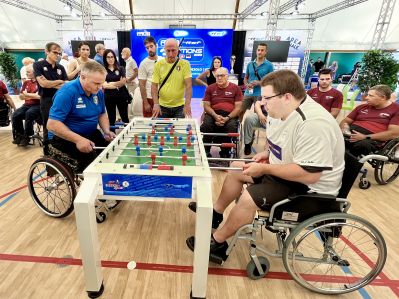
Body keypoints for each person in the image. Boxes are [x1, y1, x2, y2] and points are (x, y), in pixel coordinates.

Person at [186, 69, 345, 264]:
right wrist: (267, 154)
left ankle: (218, 243)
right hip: (288, 172)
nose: (262, 103)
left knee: (248, 198)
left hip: (310, 189)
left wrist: (265, 169)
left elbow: (310, 174)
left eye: (266, 98)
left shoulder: (314, 123)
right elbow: (286, 144)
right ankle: (216, 214)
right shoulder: (282, 111)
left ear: (286, 97)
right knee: (237, 167)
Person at [46, 61, 115, 172]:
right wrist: (78, 140)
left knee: (111, 154)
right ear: (82, 77)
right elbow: (52, 124)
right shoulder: (67, 92)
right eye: (96, 83)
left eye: (102, 83)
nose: (100, 87)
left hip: (90, 134)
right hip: (65, 138)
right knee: (92, 164)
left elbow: (101, 113)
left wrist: (106, 131)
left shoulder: (98, 92)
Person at [340, 85, 399, 158]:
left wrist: (365, 137)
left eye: (371, 96)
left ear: (383, 98)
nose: (367, 98)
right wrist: (345, 129)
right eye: (368, 95)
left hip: (372, 139)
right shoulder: (362, 107)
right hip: (350, 134)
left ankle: (347, 167)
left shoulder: (396, 110)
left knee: (362, 145)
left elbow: (393, 133)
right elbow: (345, 121)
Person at [200, 67, 242, 158]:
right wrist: (215, 115)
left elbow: (238, 108)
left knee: (231, 126)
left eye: (221, 76)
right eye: (217, 76)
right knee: (206, 125)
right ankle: (206, 150)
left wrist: (227, 118)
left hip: (229, 115)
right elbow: (206, 105)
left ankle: (225, 151)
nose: (219, 78)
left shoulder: (236, 88)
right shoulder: (210, 88)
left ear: (227, 76)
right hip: (213, 114)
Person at [33, 42, 68, 143]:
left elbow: (65, 84)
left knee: (62, 123)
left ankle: (61, 148)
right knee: (48, 124)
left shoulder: (60, 67)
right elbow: (43, 84)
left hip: (61, 99)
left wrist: (50, 83)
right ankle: (47, 149)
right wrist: (59, 81)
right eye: (55, 52)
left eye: (59, 53)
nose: (57, 55)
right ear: (47, 52)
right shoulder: (38, 65)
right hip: (47, 99)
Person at [151, 38, 192, 118]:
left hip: (180, 107)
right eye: (168, 51)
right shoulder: (158, 64)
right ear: (164, 50)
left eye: (173, 50)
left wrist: (187, 104)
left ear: (178, 49)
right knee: (161, 130)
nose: (170, 54)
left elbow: (189, 86)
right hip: (162, 106)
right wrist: (156, 104)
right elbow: (154, 86)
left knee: (179, 130)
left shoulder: (185, 64)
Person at [240, 43, 274, 119]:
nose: (260, 52)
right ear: (256, 51)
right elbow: (245, 78)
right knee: (240, 111)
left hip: (261, 94)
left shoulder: (269, 65)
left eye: (262, 50)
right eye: (258, 50)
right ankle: (240, 128)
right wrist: (247, 85)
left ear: (266, 52)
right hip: (248, 92)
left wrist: (260, 83)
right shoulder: (250, 64)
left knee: (258, 114)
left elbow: (272, 81)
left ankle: (253, 130)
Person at [11, 65, 41, 146]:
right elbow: (21, 96)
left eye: (28, 72)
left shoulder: (40, 82)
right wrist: (32, 95)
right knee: (15, 115)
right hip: (26, 105)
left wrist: (27, 94)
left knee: (29, 113)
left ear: (34, 72)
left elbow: (39, 97)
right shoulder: (26, 82)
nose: (26, 73)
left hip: (38, 105)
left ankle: (27, 136)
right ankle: (20, 135)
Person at [102, 49, 129, 128]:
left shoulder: (121, 68)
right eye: (108, 57)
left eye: (112, 57)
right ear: (105, 58)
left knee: (124, 117)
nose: (110, 59)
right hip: (109, 97)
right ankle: (112, 137)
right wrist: (117, 83)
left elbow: (123, 81)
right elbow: (104, 85)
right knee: (111, 118)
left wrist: (110, 83)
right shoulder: (103, 70)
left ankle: (127, 135)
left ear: (115, 57)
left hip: (121, 96)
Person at [138, 36, 158, 117]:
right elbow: (141, 85)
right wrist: (146, 103)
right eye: (147, 48)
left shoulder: (162, 60)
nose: (149, 49)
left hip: (162, 99)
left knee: (162, 125)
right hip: (149, 98)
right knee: (149, 125)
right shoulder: (143, 64)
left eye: (151, 46)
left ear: (156, 46)